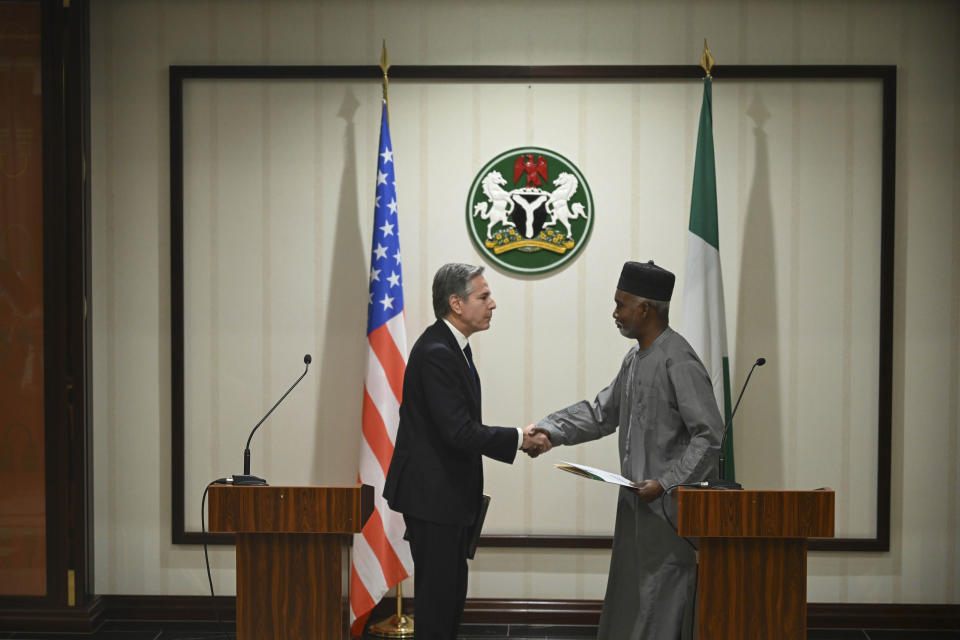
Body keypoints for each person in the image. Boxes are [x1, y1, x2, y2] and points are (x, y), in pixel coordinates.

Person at [529, 260, 724, 640]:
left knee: (662, 602)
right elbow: (603, 413)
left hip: (670, 515)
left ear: (646, 309)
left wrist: (666, 483)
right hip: (638, 508)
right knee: (636, 600)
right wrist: (549, 430)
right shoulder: (635, 359)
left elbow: (709, 435)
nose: (615, 313)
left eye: (621, 304)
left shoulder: (677, 358)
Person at [383, 262, 548, 640]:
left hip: (446, 499)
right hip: (433, 499)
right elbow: (458, 431)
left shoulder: (452, 347)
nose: (493, 304)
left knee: (450, 598)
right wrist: (519, 438)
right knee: (438, 604)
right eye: (484, 296)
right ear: (456, 303)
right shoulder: (438, 351)